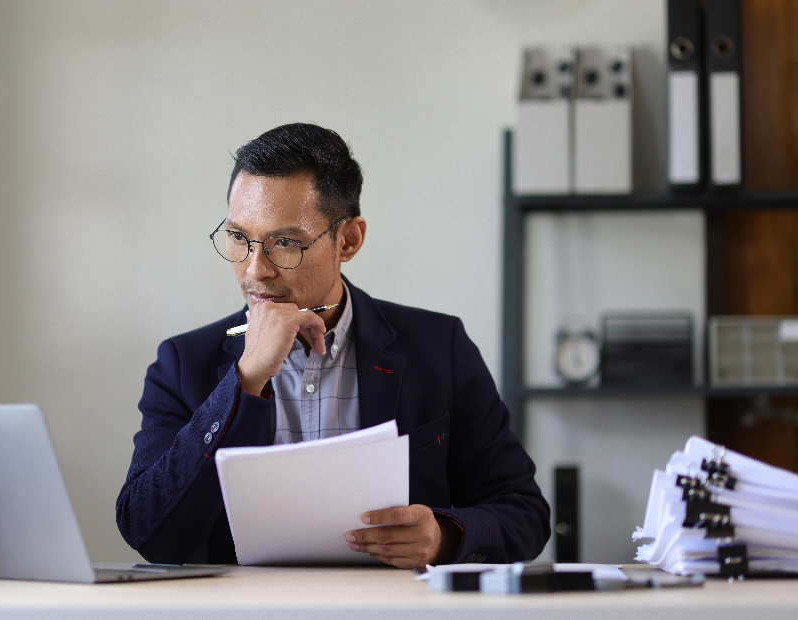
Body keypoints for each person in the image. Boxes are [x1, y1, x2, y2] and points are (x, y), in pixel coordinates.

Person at [116, 123, 549, 569]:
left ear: (349, 240)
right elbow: (151, 536)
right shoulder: (184, 363)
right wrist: (245, 381)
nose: (255, 270)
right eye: (240, 238)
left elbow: (524, 513)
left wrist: (445, 536)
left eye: (284, 242)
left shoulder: (440, 349)